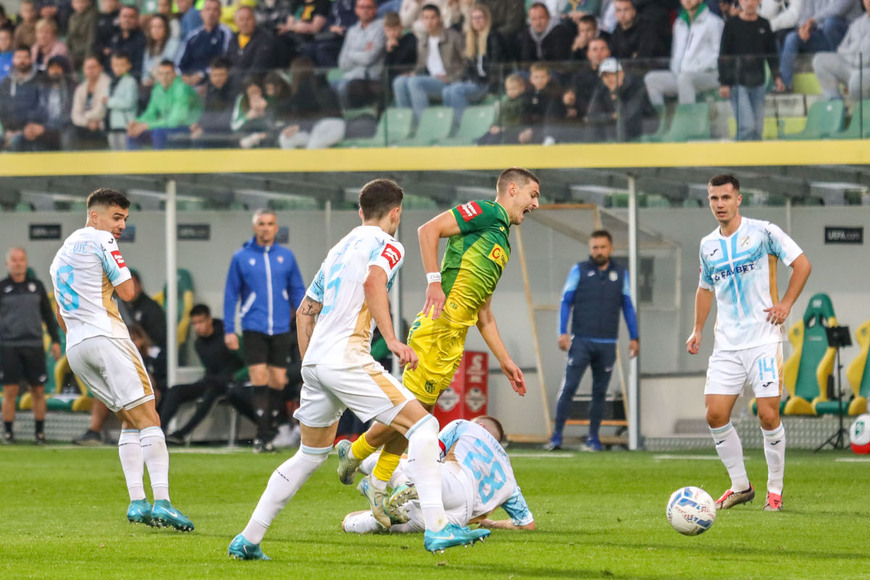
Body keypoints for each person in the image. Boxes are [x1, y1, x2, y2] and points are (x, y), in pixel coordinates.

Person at [228, 179, 490, 561]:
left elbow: (305, 311)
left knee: (308, 455)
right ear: (395, 212)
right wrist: (394, 341)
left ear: (360, 211)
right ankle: (437, 528)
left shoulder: (337, 249)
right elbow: (374, 281)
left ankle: (248, 539)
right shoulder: (389, 244)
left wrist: (310, 366)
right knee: (424, 426)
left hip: (317, 361)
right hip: (347, 356)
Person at [336, 167, 539, 529]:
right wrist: (434, 283)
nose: (535, 204)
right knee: (416, 420)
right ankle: (357, 456)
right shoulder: (488, 212)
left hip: (452, 340)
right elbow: (427, 230)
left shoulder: (502, 241)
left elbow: (484, 313)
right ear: (512, 189)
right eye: (532, 195)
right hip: (436, 329)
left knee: (416, 419)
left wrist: (506, 362)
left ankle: (375, 480)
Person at [50, 188, 194, 530]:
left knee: (129, 419)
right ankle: (163, 501)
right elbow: (129, 292)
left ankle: (136, 502)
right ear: (95, 215)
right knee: (149, 414)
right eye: (117, 217)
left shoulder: (60, 255)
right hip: (107, 337)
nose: (121, 226)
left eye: (125, 219)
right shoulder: (101, 240)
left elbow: (59, 312)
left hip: (77, 347)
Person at [686, 174, 812, 512]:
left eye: (725, 198)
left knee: (768, 416)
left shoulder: (763, 232)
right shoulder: (707, 244)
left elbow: (801, 264)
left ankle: (774, 490)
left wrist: (785, 304)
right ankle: (741, 485)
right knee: (715, 414)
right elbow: (704, 288)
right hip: (726, 344)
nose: (719, 205)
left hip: (763, 340)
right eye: (714, 199)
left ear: (738, 199)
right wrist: (697, 329)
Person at [342, 416, 535, 534]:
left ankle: (354, 459)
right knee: (378, 523)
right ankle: (369, 516)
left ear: (482, 426)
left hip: (452, 481)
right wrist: (492, 523)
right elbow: (528, 525)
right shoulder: (509, 478)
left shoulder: (465, 426)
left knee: (393, 463)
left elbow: (428, 458)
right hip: (458, 517)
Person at [547, 229, 639, 452]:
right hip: (581, 341)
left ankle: (593, 438)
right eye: (595, 247)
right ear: (591, 249)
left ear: (611, 248)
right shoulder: (579, 270)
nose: (598, 251)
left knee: (600, 392)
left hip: (607, 343)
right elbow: (565, 301)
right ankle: (556, 437)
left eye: (602, 247)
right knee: (569, 387)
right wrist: (562, 332)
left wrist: (634, 337)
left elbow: (627, 305)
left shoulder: (621, 273)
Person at [223, 209, 306, 453]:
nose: (266, 228)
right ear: (254, 227)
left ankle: (270, 430)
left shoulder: (286, 257)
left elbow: (297, 290)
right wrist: (229, 329)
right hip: (253, 326)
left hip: (281, 327)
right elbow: (231, 294)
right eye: (261, 223)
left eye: (270, 224)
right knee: (259, 377)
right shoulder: (241, 257)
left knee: (278, 380)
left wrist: (306, 318)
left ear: (276, 227)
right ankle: (262, 436)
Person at [160, 304, 259, 444]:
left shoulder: (229, 338)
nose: (198, 327)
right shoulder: (198, 344)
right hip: (211, 380)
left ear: (209, 320)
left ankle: (181, 434)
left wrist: (235, 377)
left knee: (211, 392)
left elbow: (252, 364)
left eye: (200, 322)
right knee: (175, 390)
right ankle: (159, 431)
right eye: (195, 323)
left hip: (229, 383)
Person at [1, 248, 61, 445]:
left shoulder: (37, 286)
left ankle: (39, 434)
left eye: (21, 259)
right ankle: (8, 433)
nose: (18, 263)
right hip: (9, 345)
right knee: (9, 391)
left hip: (34, 345)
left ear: (26, 262)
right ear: (7, 264)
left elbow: (48, 315)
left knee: (38, 390)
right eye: (14, 260)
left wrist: (55, 340)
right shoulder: (2, 287)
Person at [718, 0, 784, 142]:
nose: (750, 3)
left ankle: (755, 162)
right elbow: (724, 55)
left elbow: (771, 53)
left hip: (758, 82)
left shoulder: (764, 24)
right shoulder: (731, 25)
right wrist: (724, 82)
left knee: (757, 130)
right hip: (738, 83)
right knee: (747, 126)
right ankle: (738, 160)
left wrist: (777, 77)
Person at [643, 0, 723, 107]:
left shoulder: (714, 22)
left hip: (708, 75)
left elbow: (719, 55)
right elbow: (675, 53)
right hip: (682, 75)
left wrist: (697, 66)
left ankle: (687, 119)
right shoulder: (678, 23)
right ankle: (664, 117)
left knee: (685, 78)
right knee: (651, 79)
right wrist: (676, 69)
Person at [393, 3, 464, 122]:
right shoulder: (422, 40)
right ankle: (406, 124)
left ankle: (424, 124)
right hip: (430, 80)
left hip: (449, 81)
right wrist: (413, 73)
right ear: (422, 20)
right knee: (399, 82)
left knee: (415, 82)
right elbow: (421, 66)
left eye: (432, 17)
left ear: (439, 18)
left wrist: (451, 78)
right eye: (426, 18)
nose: (429, 21)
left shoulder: (453, 37)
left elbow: (467, 63)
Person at [778, 0, 863, 92]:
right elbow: (805, 18)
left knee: (831, 23)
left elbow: (838, 9)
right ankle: (784, 86)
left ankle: (843, 75)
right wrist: (803, 29)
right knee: (792, 38)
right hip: (822, 37)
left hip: (846, 37)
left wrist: (813, 20)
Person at [442, 4, 506, 124]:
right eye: (474, 18)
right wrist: (464, 79)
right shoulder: (470, 39)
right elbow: (468, 67)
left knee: (456, 91)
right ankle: (449, 125)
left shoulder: (494, 37)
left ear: (486, 20)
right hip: (474, 81)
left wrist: (489, 82)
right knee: (447, 91)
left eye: (480, 18)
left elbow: (496, 64)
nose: (476, 21)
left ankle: (466, 124)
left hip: (488, 83)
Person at [126, 59, 202, 149]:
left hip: (188, 128)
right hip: (166, 127)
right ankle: (134, 163)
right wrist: (137, 122)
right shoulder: (157, 89)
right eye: (161, 74)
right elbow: (151, 113)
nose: (164, 77)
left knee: (158, 132)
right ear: (157, 75)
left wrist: (146, 125)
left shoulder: (181, 88)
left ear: (174, 74)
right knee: (133, 134)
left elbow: (176, 120)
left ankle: (160, 162)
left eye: (168, 73)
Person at [812, 0, 870, 104]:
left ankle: (861, 111)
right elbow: (841, 49)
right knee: (819, 60)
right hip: (851, 68)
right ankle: (835, 104)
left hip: (867, 71)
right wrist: (854, 56)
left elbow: (866, 57)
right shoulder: (857, 23)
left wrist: (852, 53)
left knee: (856, 80)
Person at [586, 57, 655, 142]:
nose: (608, 79)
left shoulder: (635, 88)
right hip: (610, 138)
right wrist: (611, 116)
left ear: (621, 74)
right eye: (605, 76)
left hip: (637, 137)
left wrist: (615, 97)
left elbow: (627, 116)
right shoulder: (601, 89)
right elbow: (591, 116)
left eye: (612, 75)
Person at [335, 0, 385, 109]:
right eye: (361, 7)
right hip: (350, 76)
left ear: (375, 9)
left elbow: (369, 59)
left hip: (370, 79)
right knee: (327, 88)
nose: (365, 11)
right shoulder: (352, 31)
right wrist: (361, 53)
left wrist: (351, 54)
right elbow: (342, 63)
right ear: (356, 10)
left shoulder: (381, 28)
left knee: (343, 87)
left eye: (368, 7)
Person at [0, 47, 47, 152]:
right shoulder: (6, 82)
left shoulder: (40, 80)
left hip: (32, 129)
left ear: (31, 59)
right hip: (10, 131)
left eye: (25, 57)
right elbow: (3, 109)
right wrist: (8, 131)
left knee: (16, 141)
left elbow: (42, 108)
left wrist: (22, 130)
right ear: (13, 60)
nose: (22, 61)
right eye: (18, 57)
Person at [176, 0, 232, 87]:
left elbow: (223, 60)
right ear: (201, 13)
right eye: (208, 9)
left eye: (215, 10)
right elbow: (180, 62)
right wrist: (184, 76)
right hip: (188, 80)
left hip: (211, 81)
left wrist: (202, 75)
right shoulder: (193, 36)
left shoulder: (225, 33)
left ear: (220, 14)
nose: (211, 13)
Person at [190, 56, 237, 148]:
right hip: (211, 129)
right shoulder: (211, 90)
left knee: (200, 138)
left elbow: (228, 118)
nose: (217, 78)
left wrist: (203, 128)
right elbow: (207, 112)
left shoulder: (233, 91)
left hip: (227, 131)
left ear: (228, 75)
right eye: (214, 75)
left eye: (221, 75)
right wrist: (198, 123)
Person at [71, 55, 111, 149]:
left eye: (94, 67)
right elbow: (75, 114)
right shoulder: (80, 88)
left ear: (101, 68)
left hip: (102, 124)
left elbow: (101, 111)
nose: (91, 70)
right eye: (88, 68)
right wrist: (87, 122)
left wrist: (83, 117)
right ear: (84, 70)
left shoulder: (107, 83)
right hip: (85, 126)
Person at [227, 6, 275, 80]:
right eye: (241, 19)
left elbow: (259, 66)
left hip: (254, 82)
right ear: (236, 22)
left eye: (248, 19)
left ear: (255, 21)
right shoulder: (233, 39)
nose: (244, 23)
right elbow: (227, 62)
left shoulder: (264, 39)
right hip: (233, 82)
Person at [104, 51, 139, 151]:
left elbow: (129, 103)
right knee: (115, 155)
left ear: (129, 65)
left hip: (125, 125)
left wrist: (109, 102)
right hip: (111, 125)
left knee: (126, 154)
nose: (118, 68)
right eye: (115, 65)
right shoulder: (111, 81)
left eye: (122, 65)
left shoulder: (130, 81)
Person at [67, 0, 98, 70]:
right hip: (74, 52)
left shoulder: (93, 16)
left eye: (82, 2)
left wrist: (88, 58)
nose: (80, 5)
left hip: (86, 53)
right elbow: (69, 38)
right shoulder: (72, 18)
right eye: (77, 2)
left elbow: (91, 39)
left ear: (89, 2)